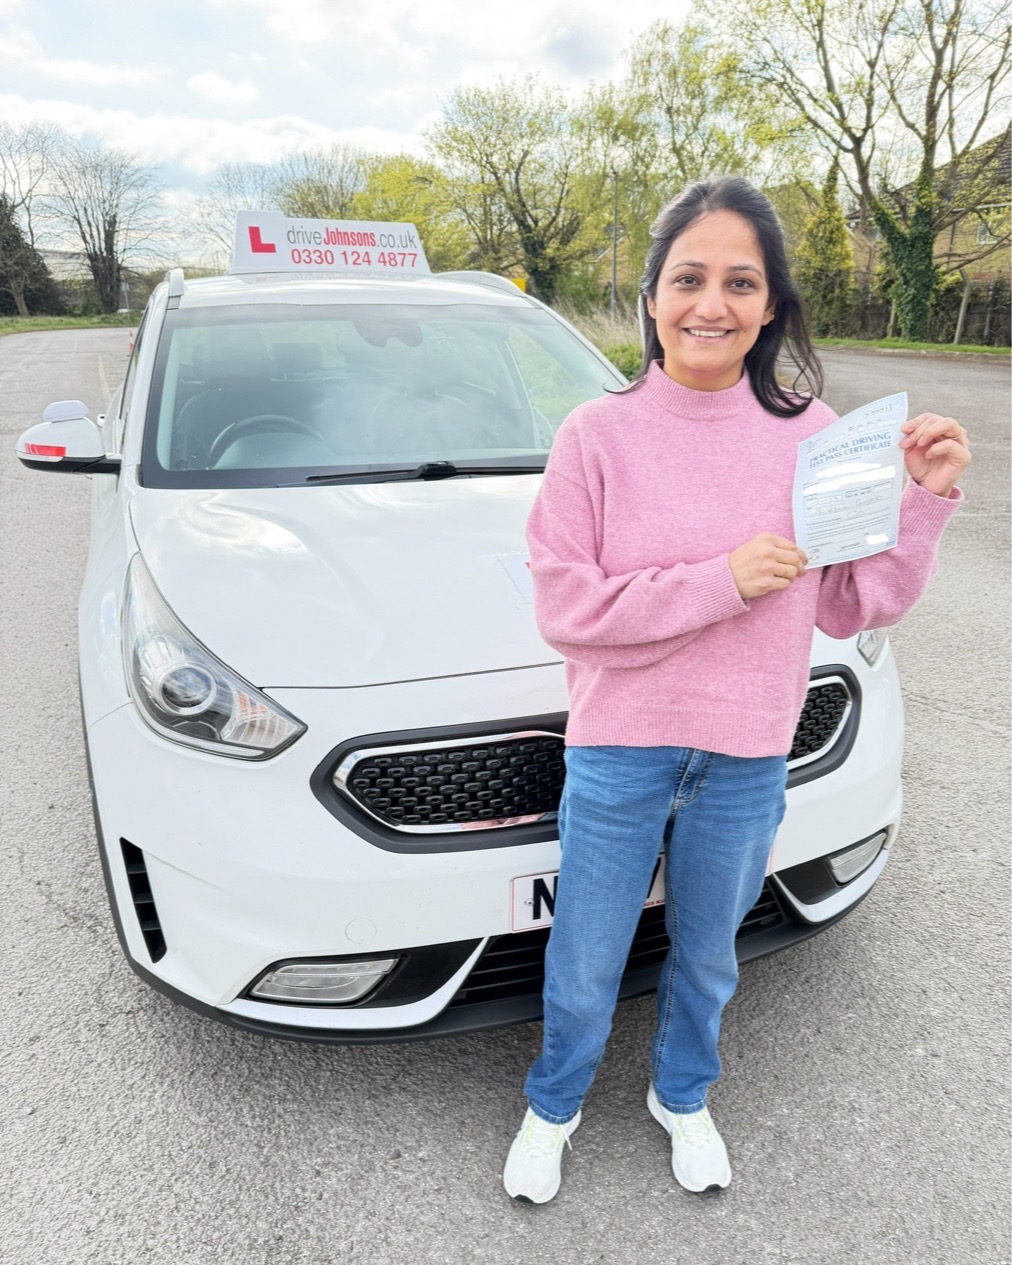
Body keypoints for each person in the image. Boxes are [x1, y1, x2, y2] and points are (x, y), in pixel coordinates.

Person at [502, 176, 970, 1204]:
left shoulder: (815, 436)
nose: (710, 302)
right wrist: (720, 582)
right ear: (653, 294)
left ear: (769, 306)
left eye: (739, 281)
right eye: (688, 277)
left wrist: (924, 502)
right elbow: (566, 607)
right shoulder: (596, 434)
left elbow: (852, 604)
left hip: (748, 753)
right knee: (585, 951)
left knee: (709, 952)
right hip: (620, 747)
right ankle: (554, 1102)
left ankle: (682, 1092)